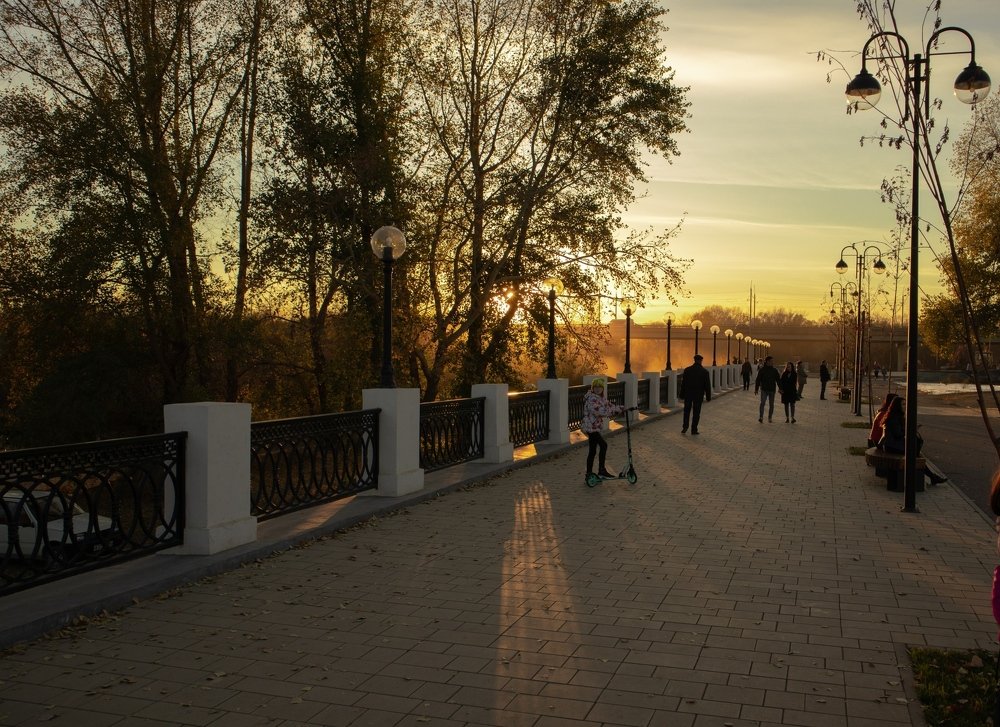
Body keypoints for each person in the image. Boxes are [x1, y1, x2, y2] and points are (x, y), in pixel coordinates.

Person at [582, 377, 625, 480]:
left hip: (594, 427)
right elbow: (599, 411)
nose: (597, 389)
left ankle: (589, 473)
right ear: (592, 388)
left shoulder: (601, 398)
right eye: (595, 387)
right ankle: (601, 471)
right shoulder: (592, 398)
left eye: (600, 387)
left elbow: (609, 406)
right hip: (591, 427)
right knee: (603, 445)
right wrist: (613, 412)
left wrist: (621, 408)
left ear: (602, 388)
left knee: (592, 450)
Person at [680, 354, 712, 434]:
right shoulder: (704, 372)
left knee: (686, 411)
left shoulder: (687, 370)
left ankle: (685, 426)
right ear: (701, 361)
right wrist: (708, 397)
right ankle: (694, 429)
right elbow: (707, 386)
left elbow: (683, 384)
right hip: (698, 395)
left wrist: (681, 394)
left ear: (694, 360)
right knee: (696, 412)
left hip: (688, 394)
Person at [754, 356, 781, 423]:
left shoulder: (774, 370)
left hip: (772, 389)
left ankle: (770, 417)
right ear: (767, 361)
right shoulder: (762, 370)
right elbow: (758, 380)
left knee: (771, 404)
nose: (772, 362)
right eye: (771, 361)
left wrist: (780, 388)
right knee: (762, 403)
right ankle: (761, 417)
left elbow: (778, 380)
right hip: (764, 389)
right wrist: (756, 389)